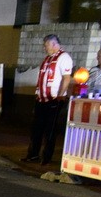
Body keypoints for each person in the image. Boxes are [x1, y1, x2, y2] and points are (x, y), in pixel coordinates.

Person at [23, 34, 74, 165]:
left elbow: (66, 78)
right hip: (41, 99)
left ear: (54, 44)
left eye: (46, 45)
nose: (44, 48)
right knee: (37, 128)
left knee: (50, 130)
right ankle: (33, 154)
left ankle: (46, 157)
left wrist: (60, 95)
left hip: (53, 99)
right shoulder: (47, 58)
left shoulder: (64, 58)